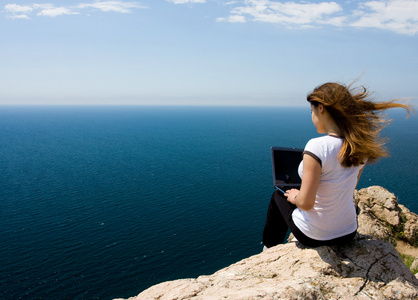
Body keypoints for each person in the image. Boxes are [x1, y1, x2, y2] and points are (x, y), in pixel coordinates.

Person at [262, 82, 411, 249]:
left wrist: (296, 196)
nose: (312, 117)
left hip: (314, 236)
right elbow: (348, 185)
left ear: (321, 109)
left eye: (312, 111)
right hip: (347, 232)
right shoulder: (360, 147)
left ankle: (269, 247)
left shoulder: (316, 147)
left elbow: (306, 204)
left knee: (278, 196)